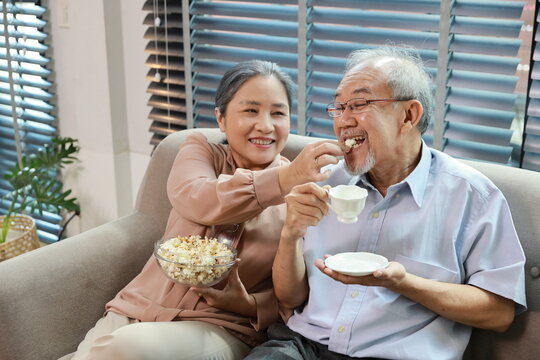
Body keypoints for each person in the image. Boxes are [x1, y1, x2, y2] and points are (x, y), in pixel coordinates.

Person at [245, 47, 527, 360]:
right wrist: (290, 234)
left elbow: (499, 313)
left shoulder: (472, 196)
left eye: (359, 104)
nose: (343, 121)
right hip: (300, 346)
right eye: (338, 107)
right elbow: (290, 297)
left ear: (409, 115)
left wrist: (404, 283)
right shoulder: (324, 181)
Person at [62, 60, 343, 360]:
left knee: (121, 349)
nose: (265, 125)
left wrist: (249, 305)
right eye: (250, 110)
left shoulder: (303, 194)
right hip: (136, 307)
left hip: (220, 327)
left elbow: (301, 297)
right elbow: (197, 198)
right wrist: (283, 179)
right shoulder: (200, 151)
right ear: (221, 119)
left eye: (278, 113)